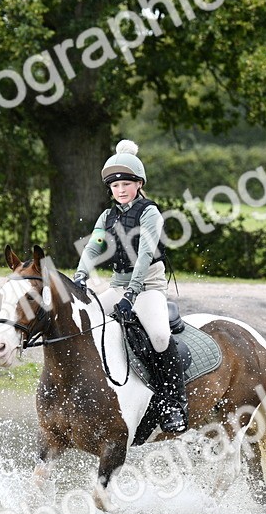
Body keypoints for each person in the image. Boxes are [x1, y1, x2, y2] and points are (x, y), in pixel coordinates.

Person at [73, 139, 187, 433]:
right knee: (84, 324)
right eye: (115, 186)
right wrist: (81, 275)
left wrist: (132, 294)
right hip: (118, 287)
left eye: (126, 184)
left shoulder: (150, 213)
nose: (120, 190)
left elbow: (145, 256)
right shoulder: (108, 216)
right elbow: (94, 248)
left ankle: (172, 402)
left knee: (160, 337)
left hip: (147, 287)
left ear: (138, 184)